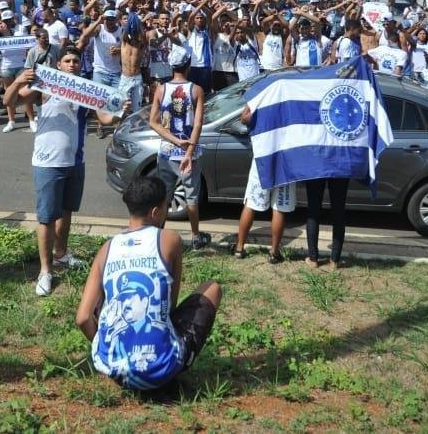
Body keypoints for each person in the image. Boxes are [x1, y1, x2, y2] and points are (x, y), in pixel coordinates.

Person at [75, 175, 222, 391]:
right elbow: (169, 306)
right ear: (155, 212)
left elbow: (83, 318)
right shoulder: (169, 239)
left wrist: (103, 344)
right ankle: (164, 364)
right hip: (164, 368)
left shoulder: (106, 249)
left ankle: (122, 364)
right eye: (165, 207)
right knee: (213, 289)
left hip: (112, 367)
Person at [7, 46, 96, 297]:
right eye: (67, 60)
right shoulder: (44, 86)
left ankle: (61, 254)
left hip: (75, 161)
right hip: (48, 163)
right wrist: (17, 81)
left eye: (76, 61)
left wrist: (116, 106)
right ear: (59, 65)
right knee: (46, 217)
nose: (72, 65)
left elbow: (107, 119)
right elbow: (10, 101)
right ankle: (45, 271)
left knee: (66, 212)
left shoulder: (85, 90)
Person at [149, 46, 210, 250]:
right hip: (189, 154)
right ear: (188, 65)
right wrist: (188, 151)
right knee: (191, 197)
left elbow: (153, 122)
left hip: (166, 151)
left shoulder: (161, 89)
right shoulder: (196, 90)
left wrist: (174, 141)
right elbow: (198, 124)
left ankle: (158, 234)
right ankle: (195, 236)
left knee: (164, 196)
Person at [232, 107, 295, 263]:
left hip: (263, 156)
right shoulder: (294, 88)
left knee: (251, 203)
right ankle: (274, 252)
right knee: (279, 207)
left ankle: (239, 248)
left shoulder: (264, 92)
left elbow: (245, 118)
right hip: (286, 158)